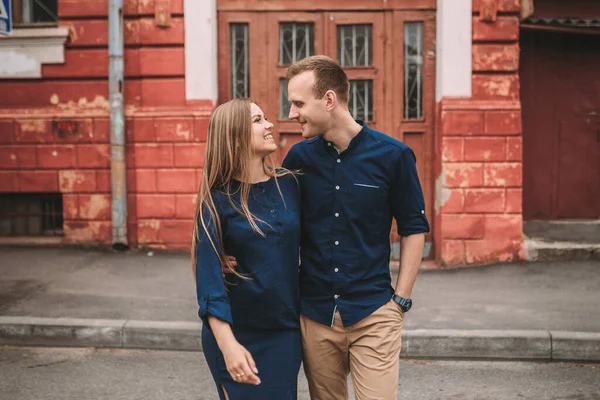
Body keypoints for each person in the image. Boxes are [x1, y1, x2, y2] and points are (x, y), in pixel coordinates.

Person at [282, 55, 430, 400]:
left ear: (329, 100)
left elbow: (413, 227)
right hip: (316, 316)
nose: (291, 113)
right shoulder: (297, 159)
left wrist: (401, 300)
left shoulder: (394, 156)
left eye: (298, 103)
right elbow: (279, 224)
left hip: (374, 314)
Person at [192, 98, 302, 400]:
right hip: (237, 333)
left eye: (265, 118)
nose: (269, 125)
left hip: (285, 331)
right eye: (257, 121)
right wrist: (228, 347)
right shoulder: (216, 201)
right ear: (234, 135)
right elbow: (209, 283)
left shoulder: (290, 185)